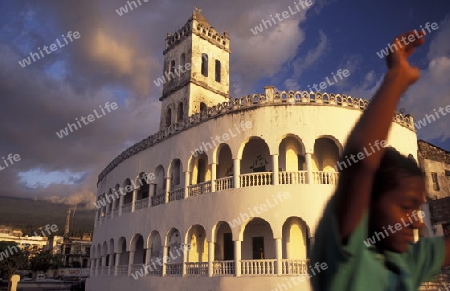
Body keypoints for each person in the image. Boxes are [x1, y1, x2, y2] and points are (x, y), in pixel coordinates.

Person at [309, 31, 450, 291]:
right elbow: (360, 161)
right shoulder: (347, 262)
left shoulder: (406, 261)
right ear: (367, 202)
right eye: (406, 206)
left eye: (417, 208)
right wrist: (396, 79)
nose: (418, 221)